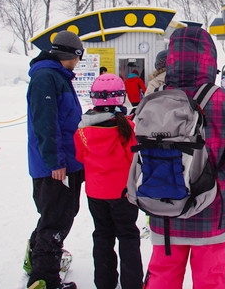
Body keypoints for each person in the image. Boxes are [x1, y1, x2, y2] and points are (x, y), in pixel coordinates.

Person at [142, 26, 225, 289]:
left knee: (162, 278)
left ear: (172, 58)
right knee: (211, 279)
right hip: (212, 209)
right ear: (209, 59)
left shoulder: (154, 99)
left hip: (164, 206)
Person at [26, 30, 85, 289]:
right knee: (57, 219)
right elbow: (46, 124)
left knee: (58, 214)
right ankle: (45, 278)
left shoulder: (57, 76)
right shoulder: (46, 77)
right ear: (71, 54)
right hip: (56, 166)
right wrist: (56, 162)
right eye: (78, 56)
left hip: (66, 162)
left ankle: (36, 258)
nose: (79, 62)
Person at [74, 73, 143, 289]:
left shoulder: (83, 130)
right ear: (120, 98)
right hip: (123, 193)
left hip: (95, 193)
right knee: (128, 235)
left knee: (102, 235)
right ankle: (132, 283)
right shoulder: (126, 128)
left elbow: (80, 157)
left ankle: (104, 283)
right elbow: (134, 158)